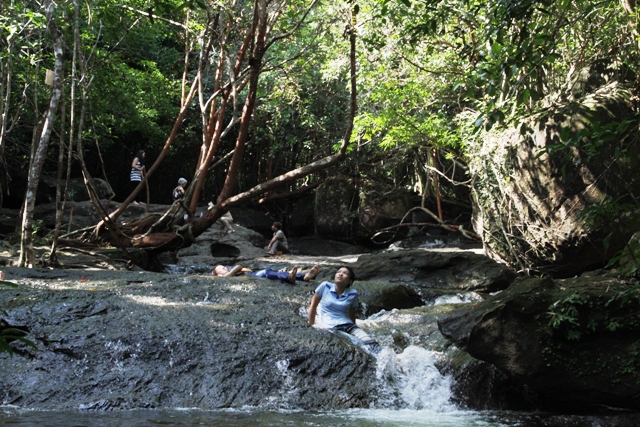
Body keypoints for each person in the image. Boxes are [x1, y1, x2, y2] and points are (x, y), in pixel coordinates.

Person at [307, 266, 381, 353]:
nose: (340, 274)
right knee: (358, 345)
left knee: (371, 342)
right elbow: (313, 306)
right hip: (332, 327)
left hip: (349, 326)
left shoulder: (353, 293)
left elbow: (352, 313)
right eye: (339, 272)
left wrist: (355, 327)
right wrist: (311, 325)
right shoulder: (325, 286)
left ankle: (394, 358)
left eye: (345, 273)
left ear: (350, 281)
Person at [212, 264, 320, 285]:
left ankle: (304, 277)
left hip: (253, 275)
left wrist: (232, 272)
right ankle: (292, 277)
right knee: (269, 273)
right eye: (221, 268)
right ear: (218, 274)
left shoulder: (230, 272)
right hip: (258, 276)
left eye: (224, 266)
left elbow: (244, 268)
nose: (224, 268)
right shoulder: (221, 278)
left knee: (275, 273)